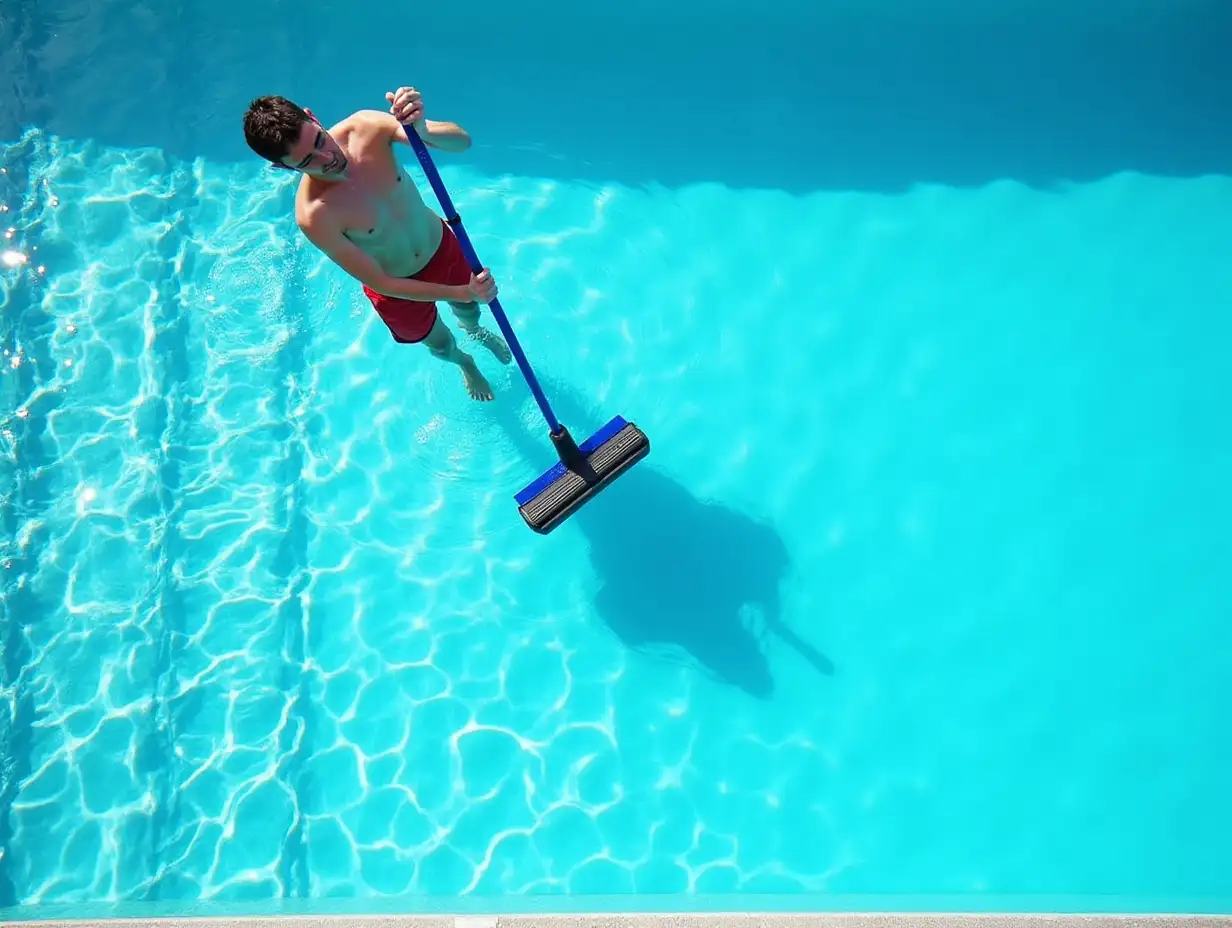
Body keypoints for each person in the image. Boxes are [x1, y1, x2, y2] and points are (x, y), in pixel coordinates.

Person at [241, 86, 512, 401]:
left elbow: (462, 143)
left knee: (469, 309)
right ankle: (465, 363)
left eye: (319, 140)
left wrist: (421, 129)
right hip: (396, 289)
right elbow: (380, 281)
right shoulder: (314, 215)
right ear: (284, 168)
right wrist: (461, 290)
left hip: (439, 248)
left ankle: (475, 332)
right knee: (440, 346)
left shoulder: (366, 127)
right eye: (307, 161)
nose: (327, 158)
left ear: (313, 117)